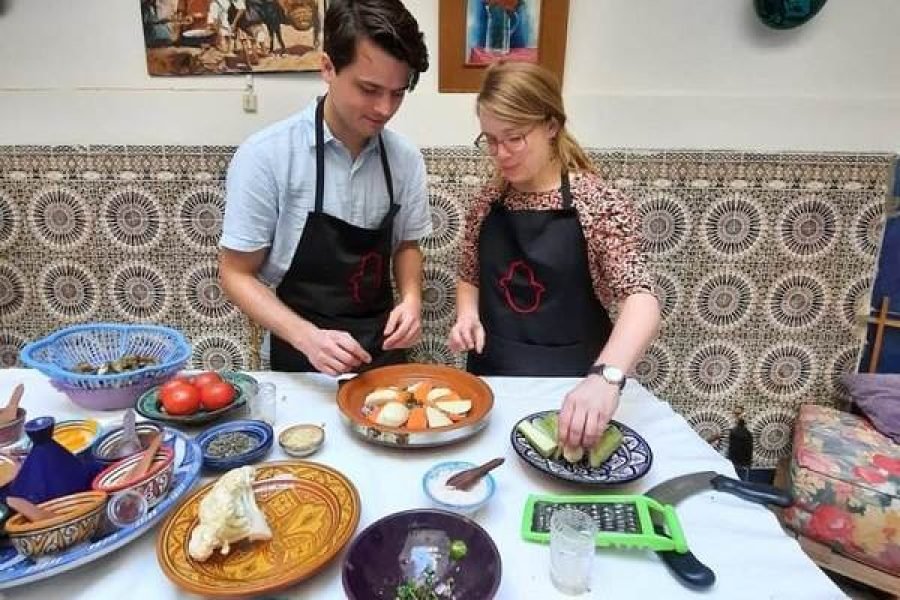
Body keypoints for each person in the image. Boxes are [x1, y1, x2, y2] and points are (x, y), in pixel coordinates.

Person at [448, 61, 661, 451]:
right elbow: (469, 274)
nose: (501, 154)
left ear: (551, 125)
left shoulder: (597, 202)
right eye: (490, 140)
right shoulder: (487, 202)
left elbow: (641, 298)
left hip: (573, 396)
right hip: (493, 386)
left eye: (513, 138)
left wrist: (605, 379)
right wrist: (467, 315)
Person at [219, 0, 431, 376]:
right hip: (296, 356)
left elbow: (407, 245)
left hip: (381, 354)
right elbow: (235, 273)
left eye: (397, 93)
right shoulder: (266, 156)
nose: (384, 108)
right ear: (328, 67)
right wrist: (305, 337)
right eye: (369, 89)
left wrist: (412, 299)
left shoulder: (405, 159)